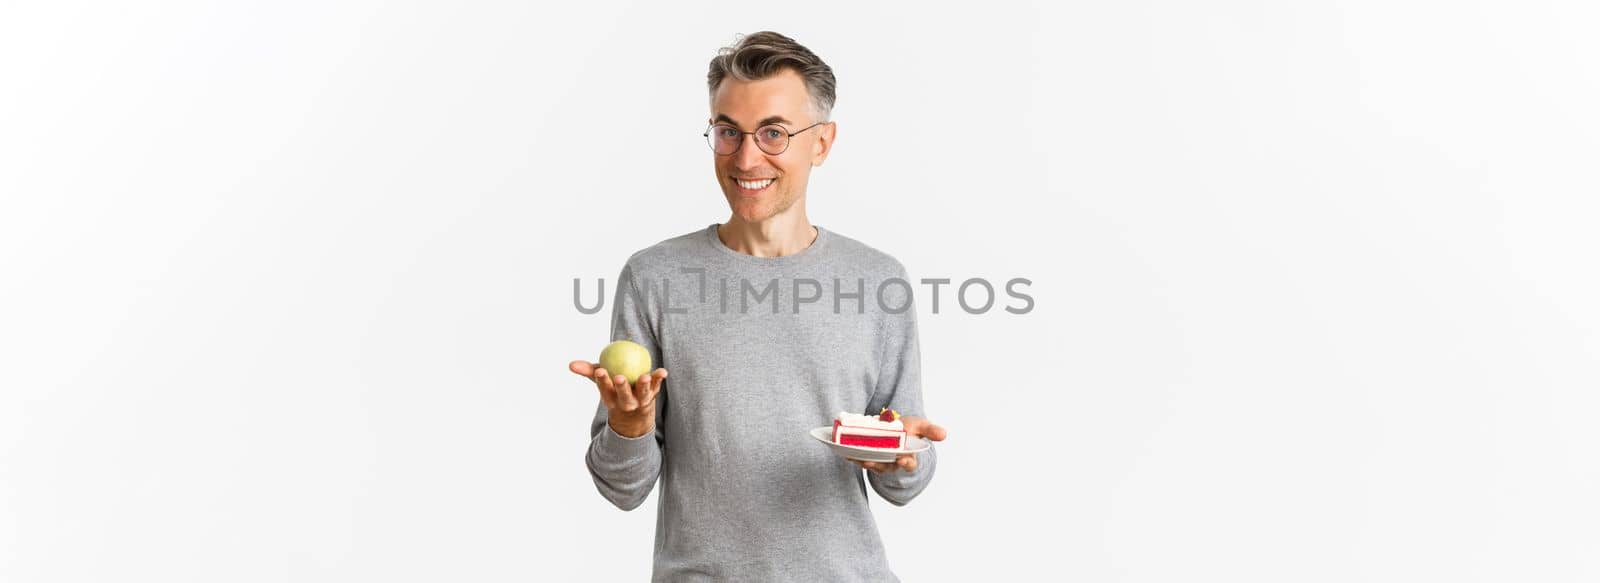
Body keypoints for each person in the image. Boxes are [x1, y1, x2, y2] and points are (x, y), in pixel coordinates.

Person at [567, 31, 947, 582]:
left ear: (821, 143)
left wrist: (903, 456)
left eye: (774, 133)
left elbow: (905, 480)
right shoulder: (654, 277)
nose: (747, 157)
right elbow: (622, 487)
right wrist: (629, 425)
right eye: (728, 132)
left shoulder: (878, 280)